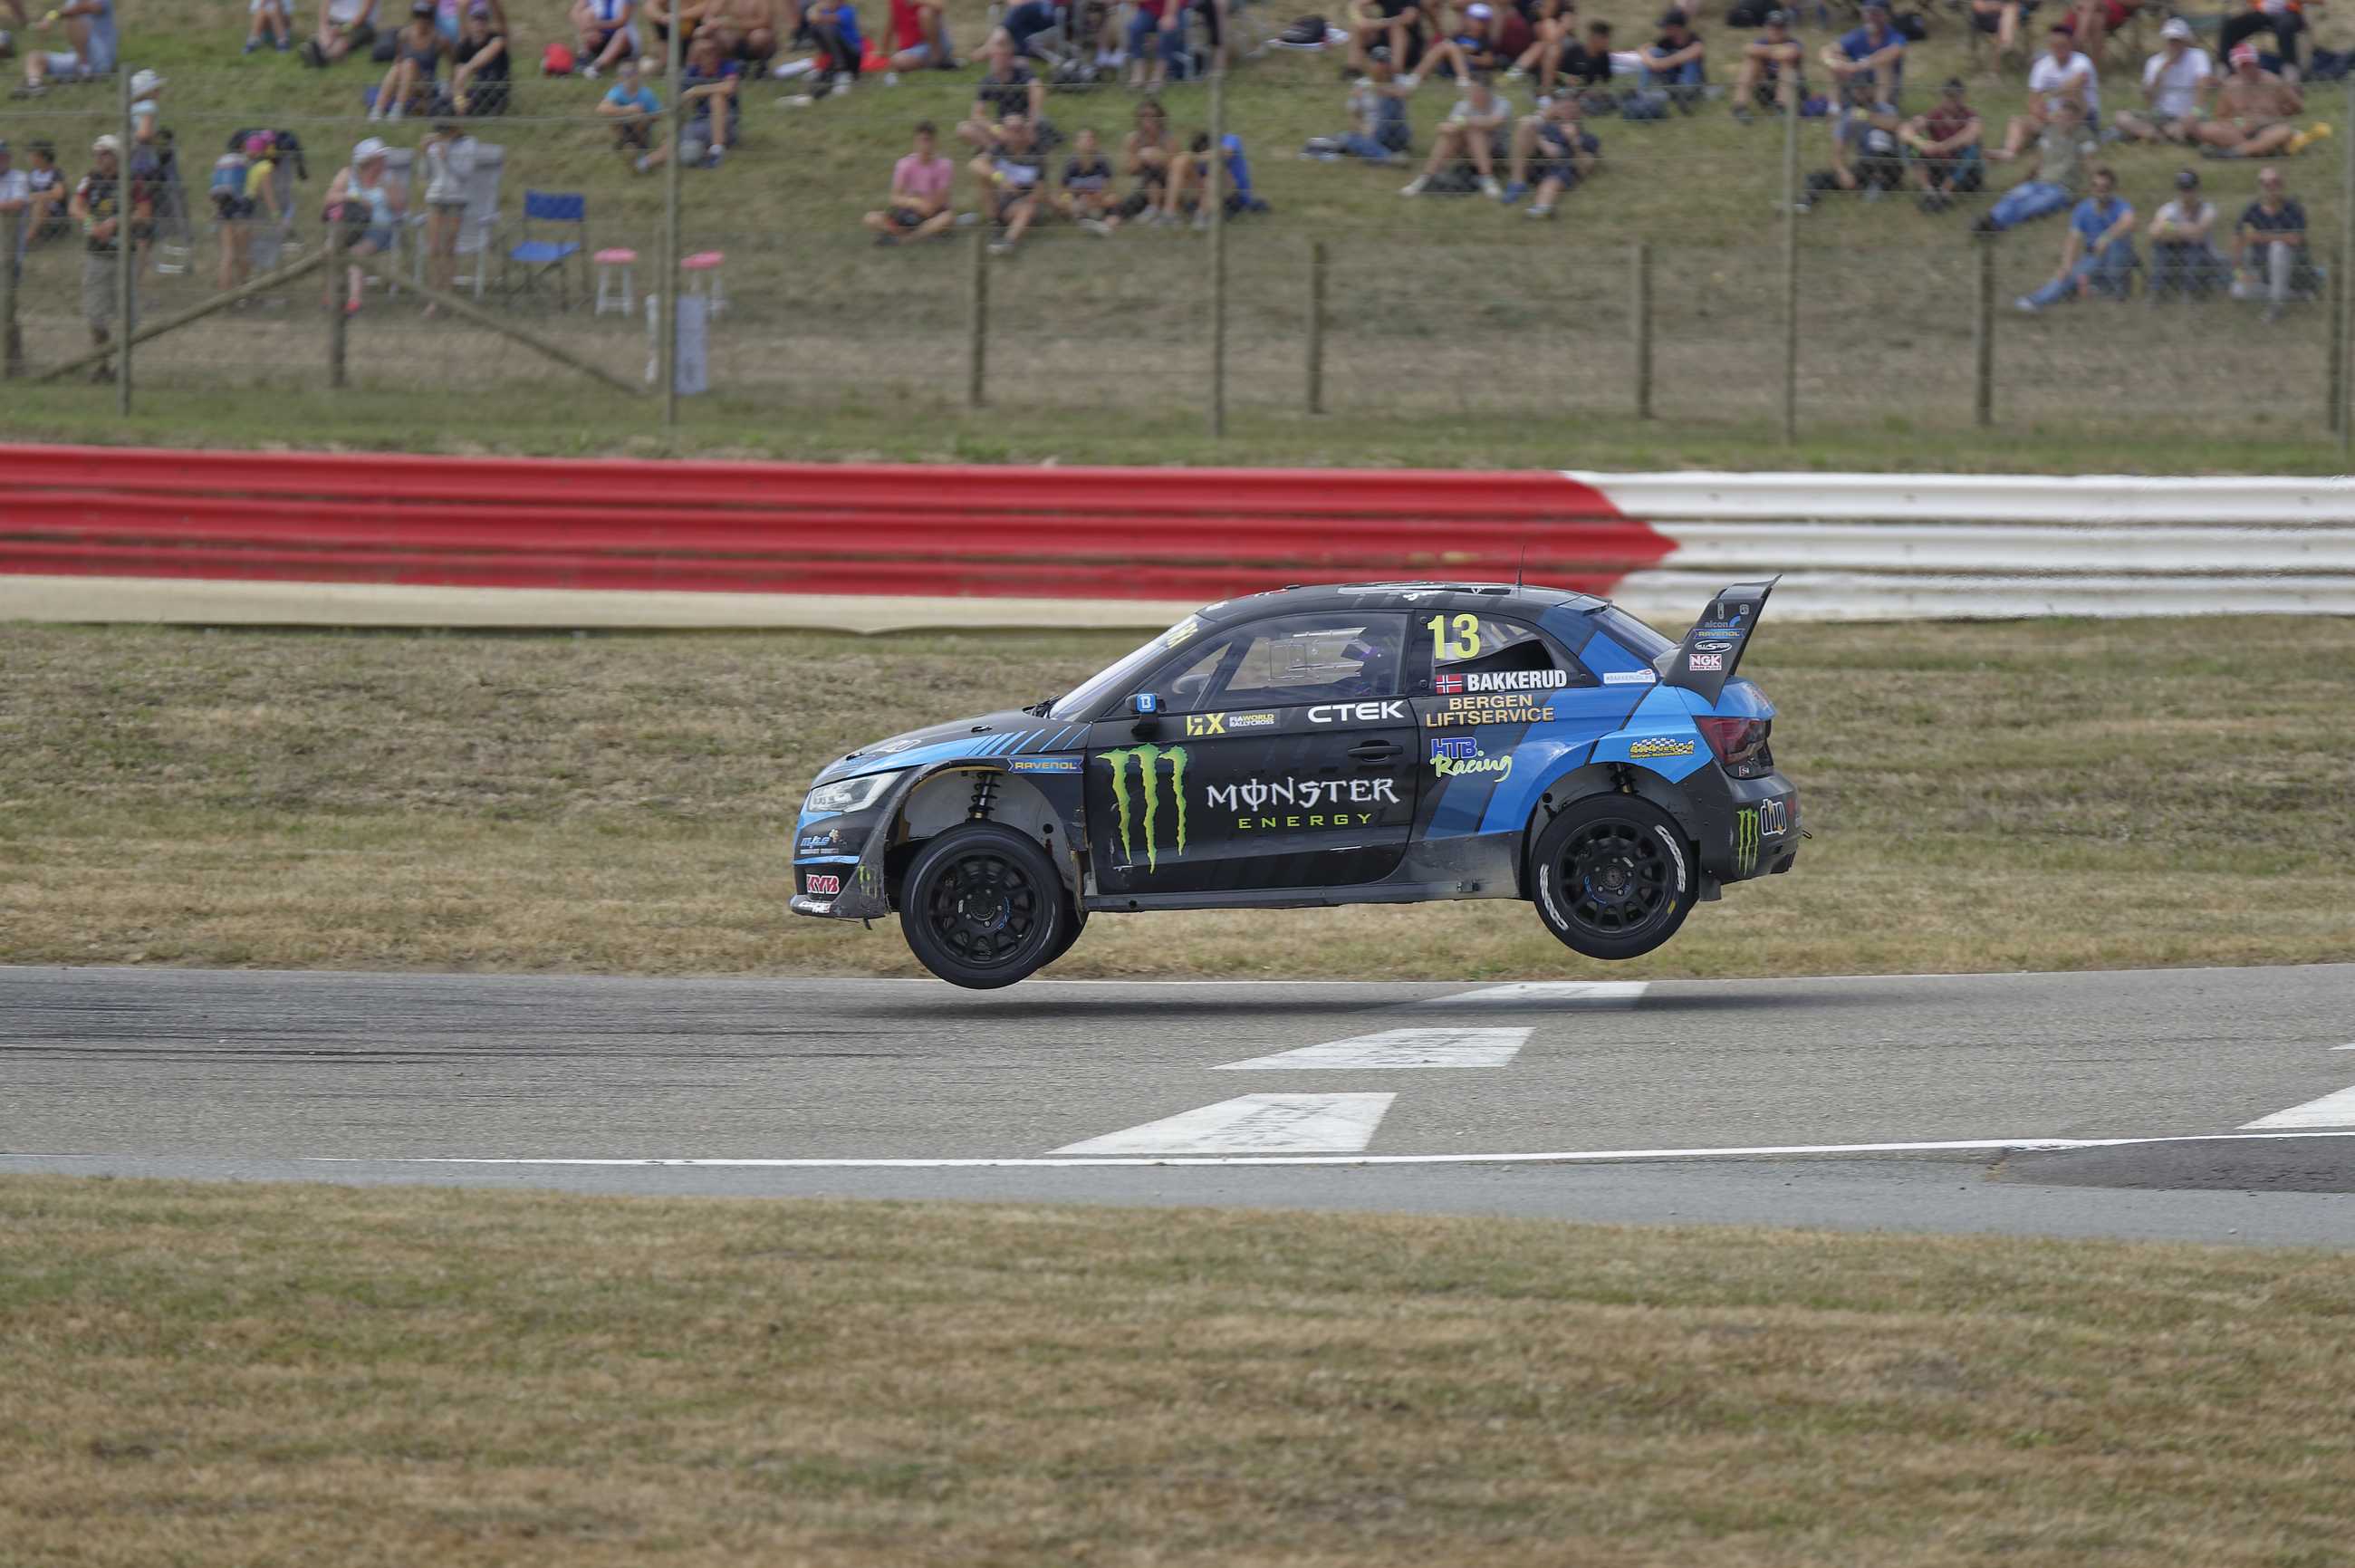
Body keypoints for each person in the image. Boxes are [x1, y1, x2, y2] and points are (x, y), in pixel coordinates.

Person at [70, 134, 147, 380]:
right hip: (97, 254)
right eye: (97, 154)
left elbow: (145, 212)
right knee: (96, 313)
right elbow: (75, 206)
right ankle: (101, 364)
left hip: (125, 255)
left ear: (116, 156)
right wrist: (92, 225)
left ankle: (125, 368)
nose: (100, 159)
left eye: (105, 154)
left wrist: (118, 223)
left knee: (127, 316)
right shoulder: (90, 180)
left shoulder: (132, 181)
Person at [2016, 163, 2135, 312]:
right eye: (2096, 186)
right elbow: (2073, 239)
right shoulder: (2083, 208)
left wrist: (2106, 237)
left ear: (2112, 189)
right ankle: (2036, 301)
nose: (2100, 191)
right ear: (2091, 187)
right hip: (2093, 257)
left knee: (2117, 243)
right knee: (2066, 276)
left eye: (2105, 187)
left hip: (2116, 257)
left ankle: (2114, 292)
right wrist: (2066, 265)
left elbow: (2129, 222)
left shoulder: (2121, 205)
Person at [1975, 92, 2090, 233]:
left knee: (2033, 206)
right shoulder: (2050, 133)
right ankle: (1991, 218)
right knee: (2014, 196)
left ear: (2077, 120)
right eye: (2062, 117)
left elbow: (2089, 164)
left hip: (2062, 189)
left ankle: (1998, 225)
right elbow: (2039, 160)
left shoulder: (2084, 137)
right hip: (2040, 182)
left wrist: (2084, 190)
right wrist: (2027, 179)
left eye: (2069, 118)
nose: (2065, 121)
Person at [1995, 24, 2097, 161]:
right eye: (2054, 45)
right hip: (2052, 117)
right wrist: (2045, 114)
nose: (2058, 49)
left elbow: (2077, 82)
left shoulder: (2082, 62)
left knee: (2072, 93)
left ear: (2071, 45)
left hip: (2082, 118)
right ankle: (2009, 152)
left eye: (2062, 45)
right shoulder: (2042, 65)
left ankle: (2059, 142)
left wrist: (2051, 95)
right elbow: (2033, 100)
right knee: (2018, 121)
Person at [323, 135, 401, 314]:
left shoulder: (388, 178)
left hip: (378, 230)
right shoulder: (348, 174)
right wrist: (355, 198)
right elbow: (329, 199)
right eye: (380, 158)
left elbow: (399, 207)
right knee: (330, 249)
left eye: (383, 158)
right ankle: (331, 296)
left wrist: (386, 189)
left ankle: (354, 301)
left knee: (356, 253)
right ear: (367, 160)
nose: (383, 161)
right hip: (349, 227)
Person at [1399, 72, 1511, 197]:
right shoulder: (1463, 105)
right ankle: (1425, 178)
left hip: (1496, 152)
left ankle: (1488, 178)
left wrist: (1466, 122)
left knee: (1473, 130)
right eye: (1470, 90)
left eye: (1477, 90)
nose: (1473, 94)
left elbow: (1494, 122)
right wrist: (1450, 128)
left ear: (1488, 91)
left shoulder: (1501, 103)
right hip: (1468, 151)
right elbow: (1446, 127)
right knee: (1450, 136)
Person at [2115, 18, 2213, 145]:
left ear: (2185, 41)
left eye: (2177, 40)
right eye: (2170, 40)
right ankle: (2161, 135)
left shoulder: (2198, 56)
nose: (2173, 44)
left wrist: (2195, 113)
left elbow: (2203, 84)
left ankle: (2156, 135)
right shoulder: (2154, 62)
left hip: (2189, 115)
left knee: (2197, 127)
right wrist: (2161, 72)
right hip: (2161, 116)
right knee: (2121, 117)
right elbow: (2149, 99)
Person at [2196, 44, 2304, 159]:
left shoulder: (2273, 81)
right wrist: (2240, 123)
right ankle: (2260, 149)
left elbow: (2298, 106)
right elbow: (2221, 116)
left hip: (2270, 129)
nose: (2247, 69)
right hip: (2241, 133)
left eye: (2249, 64)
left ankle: (2235, 152)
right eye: (2242, 66)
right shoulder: (2230, 86)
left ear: (2257, 63)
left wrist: (2279, 114)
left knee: (2285, 131)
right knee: (2205, 129)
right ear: (2235, 68)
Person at [1503, 91, 1598, 216]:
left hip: (1560, 168)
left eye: (1572, 108)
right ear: (1555, 108)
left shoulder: (1586, 137)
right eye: (1563, 107)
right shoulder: (1546, 125)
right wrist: (1544, 143)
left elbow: (1586, 167)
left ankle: (1541, 208)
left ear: (1579, 112)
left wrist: (1574, 142)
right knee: (1526, 123)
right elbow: (1524, 123)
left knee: (1553, 182)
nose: (1568, 111)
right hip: (1535, 160)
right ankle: (1517, 182)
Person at [2235, 163, 2308, 321]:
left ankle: (2276, 305)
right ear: (2260, 187)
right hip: (2263, 268)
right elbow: (2238, 240)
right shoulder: (2252, 210)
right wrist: (2239, 273)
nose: (2270, 187)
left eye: (2275, 182)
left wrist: (2261, 237)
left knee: (2278, 248)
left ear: (2282, 185)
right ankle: (2296, 295)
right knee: (2238, 291)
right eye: (2265, 184)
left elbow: (2296, 239)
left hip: (2292, 265)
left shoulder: (2293, 208)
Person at [211, 130, 281, 293]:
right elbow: (267, 195)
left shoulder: (242, 164)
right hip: (243, 210)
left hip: (225, 208)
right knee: (243, 254)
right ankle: (243, 293)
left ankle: (223, 297)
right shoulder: (264, 167)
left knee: (228, 255)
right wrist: (277, 215)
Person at [865, 120, 956, 243]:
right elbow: (895, 198)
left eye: (928, 140)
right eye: (921, 140)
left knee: (947, 218)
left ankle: (904, 238)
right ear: (915, 142)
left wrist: (926, 206)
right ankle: (917, 235)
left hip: (933, 212)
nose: (924, 145)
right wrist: (914, 202)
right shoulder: (904, 164)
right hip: (909, 211)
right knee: (870, 218)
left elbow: (940, 199)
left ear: (934, 142)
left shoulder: (944, 165)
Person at [1902, 76, 1983, 213]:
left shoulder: (1971, 116)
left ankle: (1945, 192)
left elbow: (1971, 135)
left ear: (1962, 97)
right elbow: (1904, 130)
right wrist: (1921, 143)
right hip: (1939, 167)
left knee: (1972, 147)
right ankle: (1929, 192)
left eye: (1954, 97)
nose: (1950, 101)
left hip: (1965, 173)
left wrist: (1943, 146)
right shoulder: (1935, 114)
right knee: (1910, 147)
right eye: (1947, 96)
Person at [2146, 167, 2225, 300]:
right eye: (2182, 189)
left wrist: (2170, 228)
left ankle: (2190, 294)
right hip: (2175, 253)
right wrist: (2183, 230)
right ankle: (2157, 293)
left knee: (2194, 247)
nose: (2186, 193)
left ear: (2197, 189)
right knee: (2160, 248)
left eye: (2189, 188)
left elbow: (2199, 233)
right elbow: (2153, 232)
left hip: (2204, 256)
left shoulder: (2207, 209)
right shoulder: (2168, 208)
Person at [418, 118, 474, 305]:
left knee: (449, 248)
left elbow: (465, 174)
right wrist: (424, 154)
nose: (442, 136)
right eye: (440, 132)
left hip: (456, 199)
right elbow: (424, 175)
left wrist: (447, 157)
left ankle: (448, 295)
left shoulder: (468, 144)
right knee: (433, 248)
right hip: (435, 198)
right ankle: (434, 297)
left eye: (446, 132)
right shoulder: (434, 143)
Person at [959, 32, 1046, 149]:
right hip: (1003, 128)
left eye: (999, 51)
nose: (994, 56)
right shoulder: (988, 81)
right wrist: (997, 130)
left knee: (1016, 124)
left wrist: (1031, 123)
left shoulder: (1022, 71)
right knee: (964, 128)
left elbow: (1037, 88)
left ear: (1009, 54)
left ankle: (1006, 152)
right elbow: (976, 115)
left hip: (1024, 126)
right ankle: (997, 153)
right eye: (993, 53)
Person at [974, 111, 1043, 255]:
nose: (1015, 134)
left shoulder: (1035, 155)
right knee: (983, 177)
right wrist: (1002, 179)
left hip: (1019, 205)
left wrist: (1027, 199)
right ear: (1004, 131)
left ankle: (1008, 242)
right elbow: (976, 164)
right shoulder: (1000, 148)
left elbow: (1040, 191)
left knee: (1028, 208)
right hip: (998, 198)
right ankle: (994, 225)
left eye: (1018, 129)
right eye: (1010, 130)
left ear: (1024, 131)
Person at [1822, 0, 1903, 119]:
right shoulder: (1858, 35)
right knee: (1836, 60)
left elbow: (1894, 52)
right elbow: (1827, 50)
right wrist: (1833, 63)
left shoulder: (1894, 35)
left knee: (1883, 64)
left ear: (1885, 15)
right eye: (1867, 12)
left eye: (1875, 13)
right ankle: (1834, 109)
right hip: (1858, 86)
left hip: (1885, 88)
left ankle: (1881, 109)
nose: (1870, 17)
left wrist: (1859, 65)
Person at [673, 30, 742, 166]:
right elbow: (680, 102)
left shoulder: (727, 67)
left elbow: (729, 87)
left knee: (717, 98)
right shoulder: (692, 72)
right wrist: (689, 97)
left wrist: (696, 90)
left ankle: (717, 151)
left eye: (711, 52)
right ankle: (644, 163)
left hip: (726, 125)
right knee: (674, 142)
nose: (708, 57)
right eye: (703, 53)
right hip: (700, 123)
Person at [370, 1, 447, 121]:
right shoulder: (404, 35)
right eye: (418, 16)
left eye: (425, 16)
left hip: (426, 84)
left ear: (431, 19)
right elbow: (398, 59)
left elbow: (453, 63)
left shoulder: (439, 40)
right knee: (398, 67)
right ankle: (378, 108)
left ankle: (398, 109)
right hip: (406, 81)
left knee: (409, 64)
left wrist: (446, 83)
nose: (421, 20)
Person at [19, 0, 116, 93]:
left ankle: (84, 68)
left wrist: (53, 15)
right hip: (75, 58)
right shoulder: (72, 2)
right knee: (35, 57)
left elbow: (88, 8)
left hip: (100, 60)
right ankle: (34, 85)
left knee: (73, 17)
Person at [1730, 9, 1801, 125]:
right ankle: (1739, 107)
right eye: (1772, 27)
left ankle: (1781, 109)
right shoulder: (1761, 41)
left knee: (1787, 63)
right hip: (1765, 90)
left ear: (1786, 29)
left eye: (1780, 27)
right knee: (1751, 61)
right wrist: (1777, 50)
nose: (1776, 31)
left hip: (1792, 93)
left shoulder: (1795, 43)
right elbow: (1747, 49)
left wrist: (1763, 51)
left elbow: (1790, 54)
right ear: (1766, 28)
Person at [598, 57, 665, 165]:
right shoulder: (617, 91)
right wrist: (627, 109)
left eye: (630, 73)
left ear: (637, 75)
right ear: (619, 77)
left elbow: (659, 115)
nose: (627, 77)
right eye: (623, 74)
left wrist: (644, 115)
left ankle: (640, 147)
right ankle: (623, 142)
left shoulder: (646, 93)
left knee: (637, 116)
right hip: (624, 127)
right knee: (613, 114)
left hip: (641, 130)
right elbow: (602, 108)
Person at [2220, 0, 2303, 82]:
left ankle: (2291, 75)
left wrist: (2287, 3)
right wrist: (2261, 5)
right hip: (2263, 12)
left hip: (2289, 11)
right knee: (2230, 27)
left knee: (2284, 28)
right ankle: (2225, 72)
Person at [1120, 98, 1176, 220]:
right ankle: (1153, 208)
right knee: (1124, 208)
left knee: (1154, 166)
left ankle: (1154, 208)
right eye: (1143, 115)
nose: (1148, 119)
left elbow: (1176, 167)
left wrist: (1160, 156)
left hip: (1166, 182)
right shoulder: (1133, 139)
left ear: (1160, 118)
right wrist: (1141, 156)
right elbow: (1129, 169)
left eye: (1152, 116)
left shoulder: (1168, 139)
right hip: (1143, 185)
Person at [1345, 0, 1425, 86]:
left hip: (1409, 46)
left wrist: (1377, 23)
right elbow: (1354, 5)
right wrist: (1361, 20)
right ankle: (1353, 69)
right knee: (1358, 26)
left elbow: (1408, 19)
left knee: (1397, 28)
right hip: (1386, 37)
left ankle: (1395, 74)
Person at [449, 2, 508, 115]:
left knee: (463, 72)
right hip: (476, 93)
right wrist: (459, 100)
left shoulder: (496, 39)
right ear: (470, 22)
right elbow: (458, 76)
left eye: (483, 19)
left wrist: (468, 68)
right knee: (450, 97)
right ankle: (461, 110)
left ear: (488, 22)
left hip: (497, 93)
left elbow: (490, 51)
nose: (479, 23)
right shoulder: (466, 45)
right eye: (476, 19)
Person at [1056, 127, 1118, 234]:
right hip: (1077, 200)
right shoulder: (1071, 164)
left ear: (1096, 143)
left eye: (1090, 138)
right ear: (1076, 144)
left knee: (1113, 199)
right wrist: (1072, 200)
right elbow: (1063, 191)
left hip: (1097, 199)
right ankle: (1085, 217)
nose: (1087, 142)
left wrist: (1095, 199)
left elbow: (1109, 188)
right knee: (1063, 201)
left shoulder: (1102, 162)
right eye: (1083, 139)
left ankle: (1102, 224)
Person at [1639, 8, 1705, 101]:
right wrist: (1652, 61)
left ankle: (1686, 94)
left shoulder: (1694, 40)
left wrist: (1659, 63)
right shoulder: (1665, 41)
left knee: (1691, 61)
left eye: (1667, 27)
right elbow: (1643, 49)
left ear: (1676, 28)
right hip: (1672, 79)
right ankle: (1643, 93)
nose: (1664, 30)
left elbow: (1693, 52)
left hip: (1692, 81)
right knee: (1654, 52)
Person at [571, 0, 639, 77]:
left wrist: (595, 25)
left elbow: (622, 21)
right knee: (587, 14)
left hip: (624, 42)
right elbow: (575, 11)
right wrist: (587, 30)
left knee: (622, 33)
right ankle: (584, 57)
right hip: (600, 38)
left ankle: (596, 67)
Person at [2065, 0, 2139, 70]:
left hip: (2113, 11)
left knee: (2093, 10)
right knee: (2097, 17)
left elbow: (2138, 2)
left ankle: (2078, 42)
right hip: (2091, 12)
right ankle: (2092, 68)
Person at [305, 0, 380, 66]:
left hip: (361, 25)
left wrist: (342, 30)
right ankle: (320, 50)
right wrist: (323, 27)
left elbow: (364, 13)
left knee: (340, 44)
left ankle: (325, 55)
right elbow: (325, 4)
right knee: (326, 38)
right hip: (336, 20)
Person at [883, 0, 949, 74]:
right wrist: (883, 52)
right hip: (914, 49)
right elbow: (892, 22)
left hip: (935, 43)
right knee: (897, 61)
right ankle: (933, 63)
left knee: (925, 12)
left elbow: (940, 5)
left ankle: (937, 59)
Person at [25, 139, 70, 245]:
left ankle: (25, 241)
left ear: (44, 157)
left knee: (41, 203)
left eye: (33, 155)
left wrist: (37, 196)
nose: (29, 158)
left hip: (55, 216)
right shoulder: (32, 174)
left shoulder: (56, 173)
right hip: (33, 214)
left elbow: (59, 194)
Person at [1969, 0, 2029, 65]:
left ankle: (2006, 47)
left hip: (2006, 15)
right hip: (1986, 19)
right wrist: (1998, 6)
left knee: (2012, 10)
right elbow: (1979, 7)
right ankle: (2006, 46)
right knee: (2009, 12)